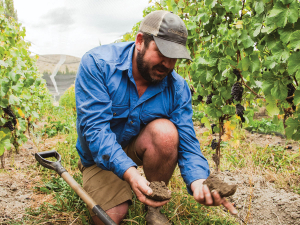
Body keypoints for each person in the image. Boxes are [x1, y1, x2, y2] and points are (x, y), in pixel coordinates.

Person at [75, 10, 237, 225]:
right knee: (110, 219)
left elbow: (187, 142)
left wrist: (198, 181)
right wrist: (130, 174)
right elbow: (96, 131)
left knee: (166, 132)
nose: (168, 64)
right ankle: (111, 180)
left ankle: (153, 205)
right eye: (162, 53)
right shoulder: (98, 64)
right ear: (140, 41)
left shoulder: (177, 87)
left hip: (137, 146)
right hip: (100, 158)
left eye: (174, 58)